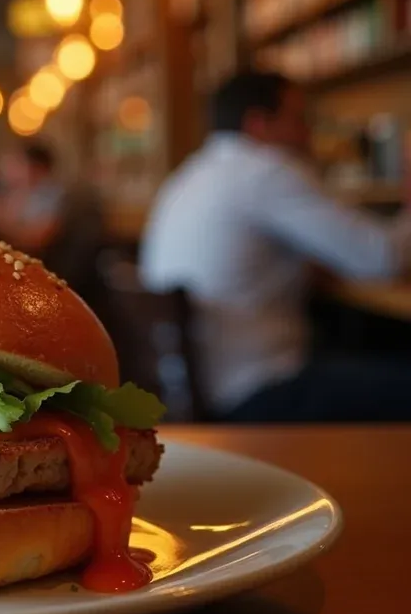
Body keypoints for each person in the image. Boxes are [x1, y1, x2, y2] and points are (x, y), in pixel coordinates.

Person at [140, 69, 411, 422]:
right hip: (256, 392)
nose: (308, 133)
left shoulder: (189, 174)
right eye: (298, 119)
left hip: (197, 391)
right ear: (258, 124)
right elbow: (384, 258)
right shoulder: (266, 170)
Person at [0, 137, 104, 296]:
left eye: (16, 164)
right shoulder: (22, 193)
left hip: (53, 275)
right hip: (27, 268)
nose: (8, 170)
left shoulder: (53, 194)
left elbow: (36, 240)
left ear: (36, 167)